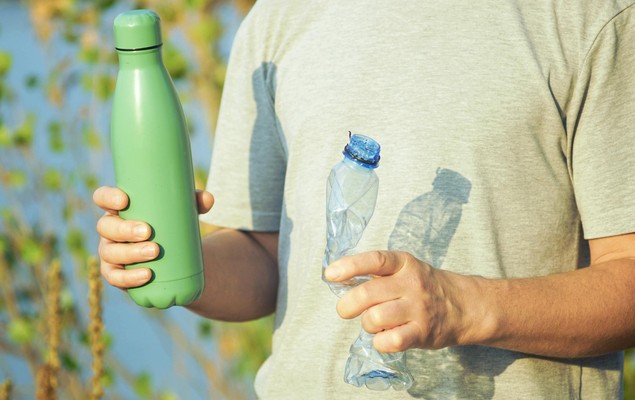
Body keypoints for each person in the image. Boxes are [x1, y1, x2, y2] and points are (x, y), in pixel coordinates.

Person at [94, 1, 635, 398]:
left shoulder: (592, 16)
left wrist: (465, 307)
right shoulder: (276, 18)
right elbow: (267, 255)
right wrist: (168, 257)